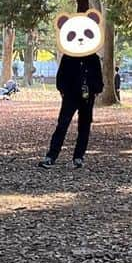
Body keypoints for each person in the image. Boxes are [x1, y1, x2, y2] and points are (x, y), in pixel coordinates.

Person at [40, 10, 105, 169]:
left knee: (84, 127)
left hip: (87, 97)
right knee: (62, 125)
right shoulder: (68, 57)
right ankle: (51, 156)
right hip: (70, 96)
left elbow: (98, 78)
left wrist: (95, 90)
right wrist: (63, 90)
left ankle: (78, 157)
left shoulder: (94, 58)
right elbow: (60, 76)